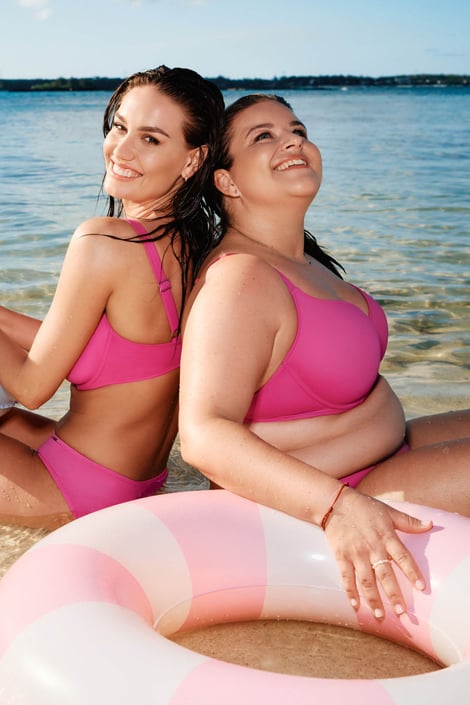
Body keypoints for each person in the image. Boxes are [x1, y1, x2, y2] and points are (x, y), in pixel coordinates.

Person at [179, 94, 470, 620]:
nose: (293, 141)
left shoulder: (304, 262)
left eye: (297, 130)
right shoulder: (241, 278)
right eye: (263, 136)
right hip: (330, 496)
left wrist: (378, 418)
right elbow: (203, 435)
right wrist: (337, 507)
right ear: (227, 181)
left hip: (376, 460)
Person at [0, 65, 224, 529]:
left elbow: (31, 388)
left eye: (150, 139)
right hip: (137, 478)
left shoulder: (105, 241)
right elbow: (94, 353)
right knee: (9, 424)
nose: (120, 150)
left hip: (73, 490)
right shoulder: (196, 247)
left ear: (193, 160)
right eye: (120, 127)